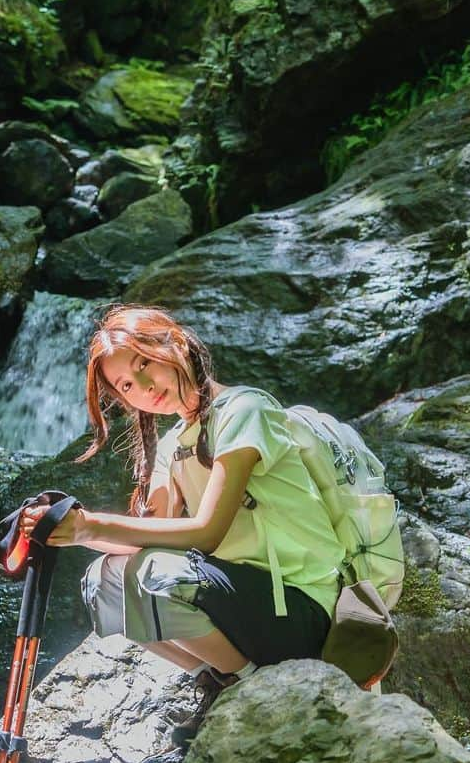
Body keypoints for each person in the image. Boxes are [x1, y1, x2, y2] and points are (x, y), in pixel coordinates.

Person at [19, 305, 346, 712]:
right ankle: (217, 679)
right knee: (102, 580)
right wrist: (66, 526)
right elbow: (143, 545)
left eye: (143, 363)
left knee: (152, 574)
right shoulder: (173, 446)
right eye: (126, 385)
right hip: (243, 606)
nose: (143, 385)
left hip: (300, 609)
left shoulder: (244, 411)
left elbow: (207, 533)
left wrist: (91, 526)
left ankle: (250, 688)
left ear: (175, 342)